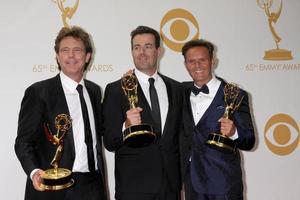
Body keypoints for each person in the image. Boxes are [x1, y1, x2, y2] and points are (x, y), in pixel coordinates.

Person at [15, 26, 107, 200]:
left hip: (93, 185)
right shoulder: (39, 92)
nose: (71, 55)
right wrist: (34, 172)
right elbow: (23, 141)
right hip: (53, 187)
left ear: (87, 56)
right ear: (57, 56)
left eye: (77, 50)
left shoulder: (95, 91)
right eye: (65, 50)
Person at [102, 25, 182, 200]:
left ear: (159, 51)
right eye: (136, 47)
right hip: (134, 187)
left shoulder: (176, 89)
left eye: (148, 46)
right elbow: (109, 141)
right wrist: (126, 126)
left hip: (171, 185)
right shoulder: (116, 89)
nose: (141, 52)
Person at [180, 39, 255, 200]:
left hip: (224, 184)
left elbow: (249, 141)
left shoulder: (236, 94)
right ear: (186, 64)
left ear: (213, 61)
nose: (197, 66)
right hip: (191, 185)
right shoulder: (180, 92)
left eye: (202, 60)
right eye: (192, 61)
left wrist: (234, 132)